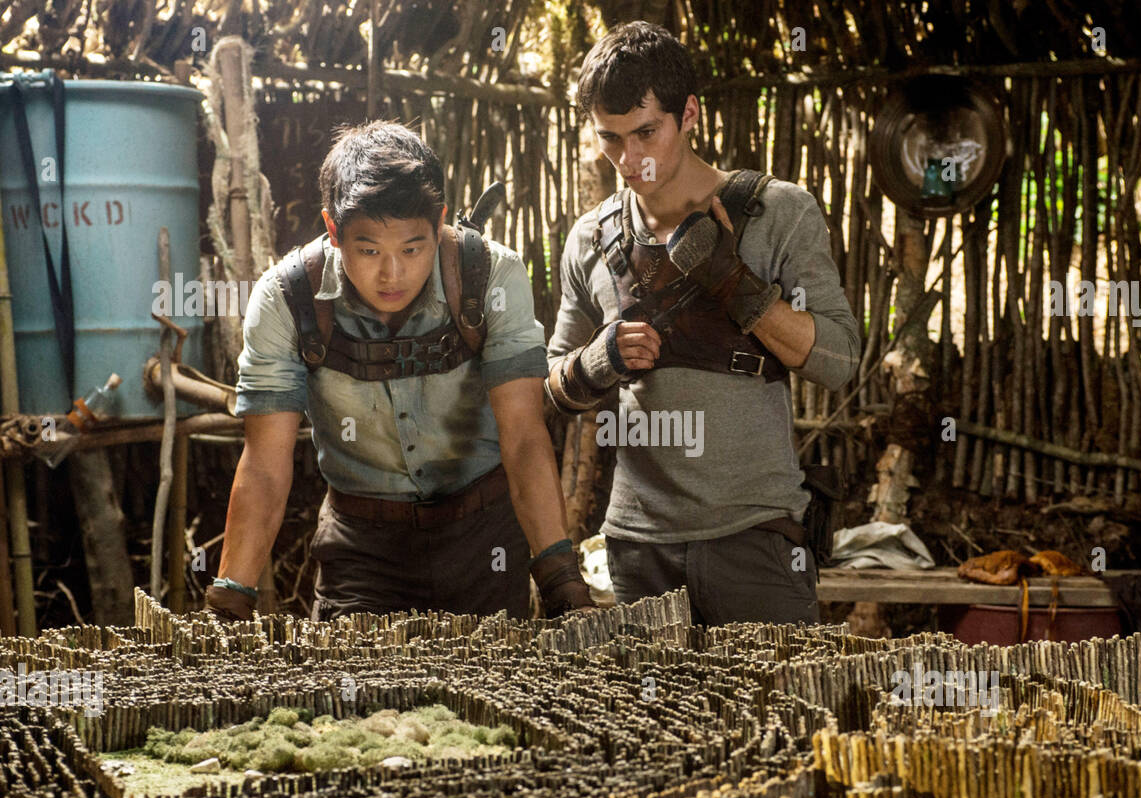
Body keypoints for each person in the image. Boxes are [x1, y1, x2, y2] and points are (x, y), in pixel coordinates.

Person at [204, 120, 593, 622]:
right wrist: (232, 599)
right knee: (349, 697)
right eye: (369, 251)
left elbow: (522, 436)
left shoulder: (490, 277)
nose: (392, 274)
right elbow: (263, 465)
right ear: (333, 230)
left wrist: (560, 577)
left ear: (441, 223)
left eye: (412, 249)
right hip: (361, 548)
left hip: (484, 540)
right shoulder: (287, 299)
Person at [546, 22, 862, 625]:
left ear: (689, 114)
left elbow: (841, 362)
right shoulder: (590, 240)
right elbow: (551, 387)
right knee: (650, 718)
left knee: (775, 714)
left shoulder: (778, 212)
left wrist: (737, 286)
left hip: (757, 537)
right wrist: (596, 361)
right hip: (637, 547)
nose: (630, 159)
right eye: (610, 139)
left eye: (646, 132)